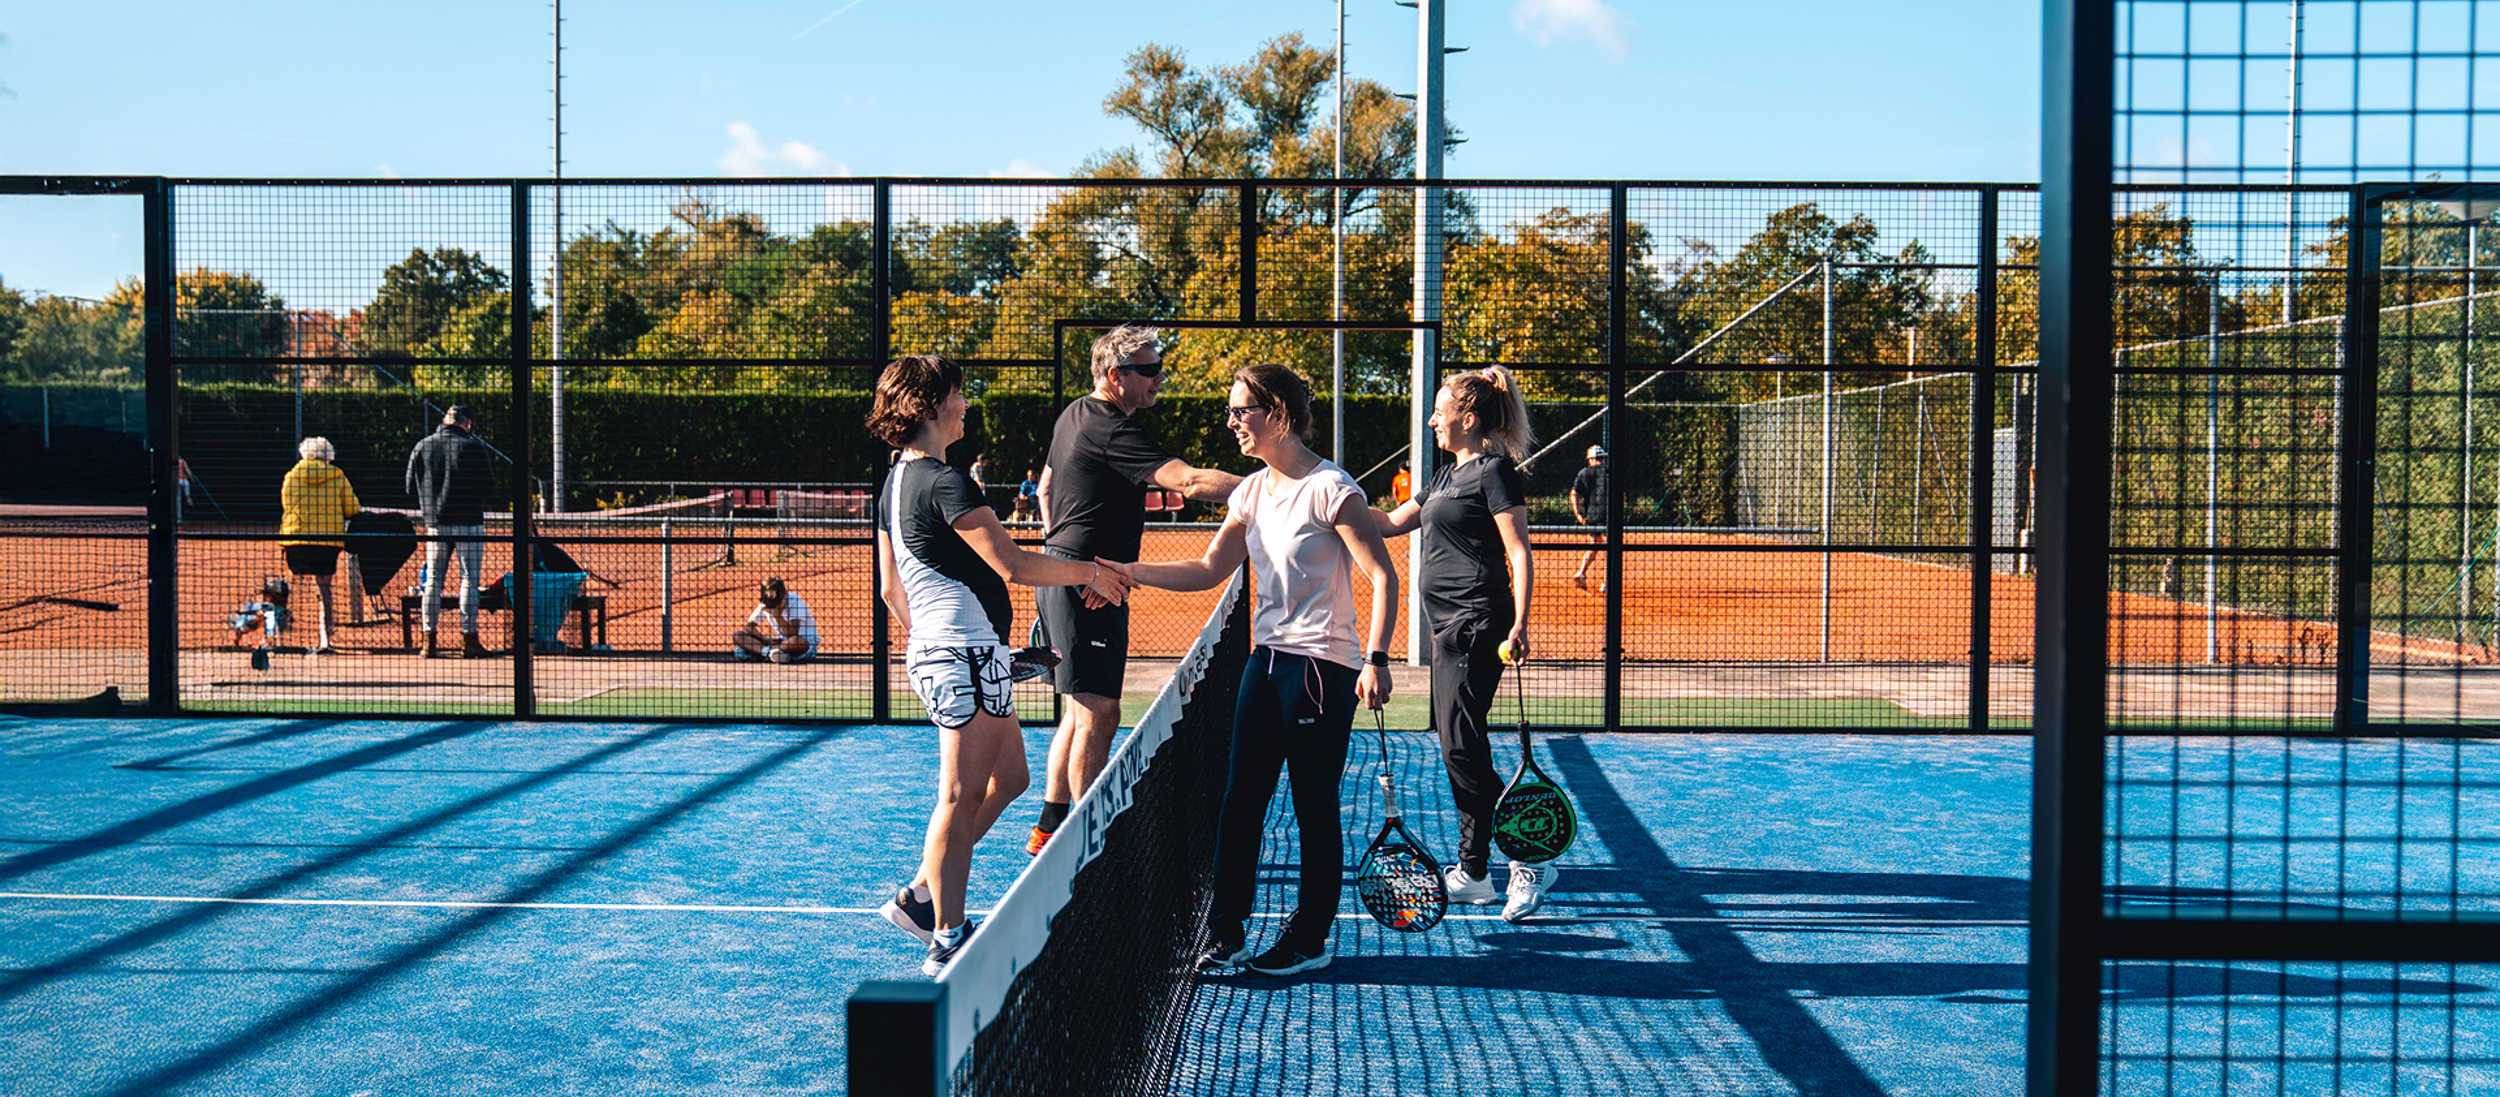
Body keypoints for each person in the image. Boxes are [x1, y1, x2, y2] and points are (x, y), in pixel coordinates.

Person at [1122, 362, 1400, 977]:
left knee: (1312, 805)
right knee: (1240, 800)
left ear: (1276, 413)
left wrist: (1376, 658)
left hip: (1323, 670)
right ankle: (1225, 933)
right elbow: (1206, 570)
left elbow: (1384, 577)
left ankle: (1310, 938)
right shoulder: (1250, 491)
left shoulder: (1334, 489)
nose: (1231, 421)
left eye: (1241, 409)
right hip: (1264, 661)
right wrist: (1131, 573)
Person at [866, 354, 1136, 977]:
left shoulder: (895, 482)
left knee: (1010, 777)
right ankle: (946, 935)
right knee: (959, 797)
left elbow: (891, 590)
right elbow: (1013, 565)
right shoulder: (945, 480)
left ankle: (921, 897)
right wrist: (1094, 572)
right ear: (934, 405)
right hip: (959, 653)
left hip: (959, 651)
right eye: (959, 394)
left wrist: (976, 653)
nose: (966, 404)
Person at [1027, 323, 1242, 855]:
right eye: (1148, 371)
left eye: (1159, 368)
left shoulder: (1074, 411)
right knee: (1100, 712)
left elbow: (1049, 488)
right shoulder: (1111, 427)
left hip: (1076, 575)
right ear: (1116, 375)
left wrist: (1065, 550)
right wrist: (1283, 487)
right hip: (1085, 581)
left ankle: (1050, 829)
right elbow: (1189, 482)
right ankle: (1086, 842)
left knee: (1080, 710)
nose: (1159, 379)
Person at [1370, 367, 1551, 920]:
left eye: (1439, 410)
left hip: (1479, 623)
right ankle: (1474, 872)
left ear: (1467, 420)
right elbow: (1389, 521)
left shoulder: (1494, 472)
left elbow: (1518, 552)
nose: (1431, 419)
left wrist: (1520, 623)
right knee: (1459, 746)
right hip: (1446, 628)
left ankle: (1529, 856)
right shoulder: (1447, 477)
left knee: (1459, 746)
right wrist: (1321, 497)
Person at [406, 405, 497, 659]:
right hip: (468, 521)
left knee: (433, 580)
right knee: (469, 578)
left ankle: (428, 641)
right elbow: (489, 488)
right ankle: (469, 639)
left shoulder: (423, 446)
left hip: (435, 523)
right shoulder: (474, 447)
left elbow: (410, 488)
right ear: (467, 423)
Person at [278, 436, 360, 654]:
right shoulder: (338, 475)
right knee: (324, 589)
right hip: (327, 542)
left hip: (296, 540)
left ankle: (279, 636)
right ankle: (326, 638)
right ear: (328, 455)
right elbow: (352, 508)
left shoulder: (291, 476)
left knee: (292, 584)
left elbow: (286, 504)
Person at [731, 577, 818, 663]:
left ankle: (762, 652)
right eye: (773, 605)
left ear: (786, 594)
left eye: (779, 603)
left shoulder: (794, 601)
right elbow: (749, 626)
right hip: (780, 643)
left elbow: (792, 634)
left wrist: (777, 616)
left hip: (804, 646)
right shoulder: (767, 603)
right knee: (738, 635)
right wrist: (767, 639)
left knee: (796, 641)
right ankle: (772, 653)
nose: (777, 607)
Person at [1570, 444, 1611, 592]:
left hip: (1591, 515)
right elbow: (1622, 496)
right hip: (1608, 515)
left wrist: (1578, 514)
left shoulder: (1583, 473)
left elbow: (1574, 493)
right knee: (1610, 548)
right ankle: (1607, 583)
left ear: (1590, 459)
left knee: (1595, 543)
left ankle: (1581, 572)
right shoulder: (1609, 472)